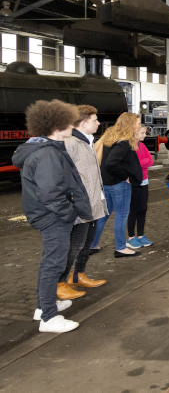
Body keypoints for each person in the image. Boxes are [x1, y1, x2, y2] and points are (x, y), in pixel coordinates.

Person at [12, 99, 92, 333]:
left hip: (50, 214)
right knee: (53, 262)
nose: (72, 126)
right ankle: (48, 316)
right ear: (57, 127)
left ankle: (43, 306)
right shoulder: (47, 154)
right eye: (69, 123)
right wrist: (69, 214)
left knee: (53, 260)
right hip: (53, 217)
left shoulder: (46, 149)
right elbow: (50, 193)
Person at [60, 105, 109, 299]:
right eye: (94, 120)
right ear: (82, 123)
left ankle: (78, 274)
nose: (98, 123)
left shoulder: (88, 142)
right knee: (75, 246)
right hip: (81, 205)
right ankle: (60, 282)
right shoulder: (71, 143)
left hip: (94, 202)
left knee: (86, 244)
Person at [94, 112, 143, 258]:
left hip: (107, 182)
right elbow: (111, 163)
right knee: (122, 215)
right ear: (131, 124)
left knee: (103, 215)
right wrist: (125, 176)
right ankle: (121, 247)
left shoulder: (111, 137)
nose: (140, 126)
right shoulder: (124, 142)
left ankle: (93, 244)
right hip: (119, 184)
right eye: (138, 123)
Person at [127, 125, 154, 247]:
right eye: (142, 133)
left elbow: (151, 160)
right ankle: (131, 236)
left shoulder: (142, 145)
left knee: (143, 208)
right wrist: (142, 163)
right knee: (133, 209)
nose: (144, 135)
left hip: (144, 181)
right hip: (134, 182)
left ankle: (141, 235)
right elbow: (134, 164)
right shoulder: (130, 147)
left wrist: (140, 163)